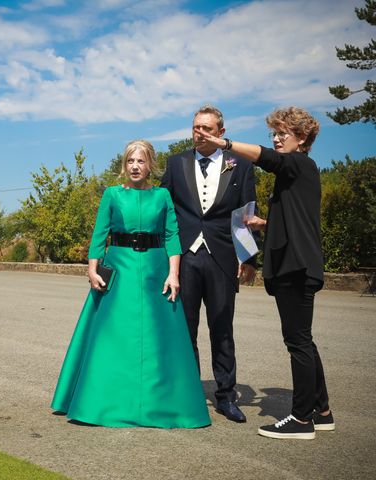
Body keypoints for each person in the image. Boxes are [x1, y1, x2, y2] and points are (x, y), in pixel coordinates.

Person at [194, 106, 333, 440]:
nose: (277, 138)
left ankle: (301, 420)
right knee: (305, 341)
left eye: (284, 133)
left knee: (297, 342)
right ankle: (322, 411)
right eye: (275, 132)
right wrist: (264, 223)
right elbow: (298, 221)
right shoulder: (299, 174)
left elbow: (265, 157)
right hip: (298, 264)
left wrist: (223, 144)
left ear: (303, 139)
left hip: (295, 268)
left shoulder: (298, 163)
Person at [51, 140, 210, 429]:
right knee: (111, 337)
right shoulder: (112, 194)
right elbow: (100, 234)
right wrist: (92, 268)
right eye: (129, 162)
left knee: (158, 339)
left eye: (140, 161)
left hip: (155, 269)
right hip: (120, 269)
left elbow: (172, 237)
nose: (135, 166)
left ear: (150, 165)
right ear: (124, 166)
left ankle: (163, 404)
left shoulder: (162, 196)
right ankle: (101, 402)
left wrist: (173, 274)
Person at [161, 105, 257, 423]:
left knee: (222, 330)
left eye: (207, 128)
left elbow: (246, 215)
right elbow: (162, 208)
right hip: (185, 257)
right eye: (196, 127)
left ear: (221, 133)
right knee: (184, 329)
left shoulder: (239, 166)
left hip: (222, 256)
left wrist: (248, 258)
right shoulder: (176, 164)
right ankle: (186, 393)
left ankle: (226, 397)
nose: (200, 133)